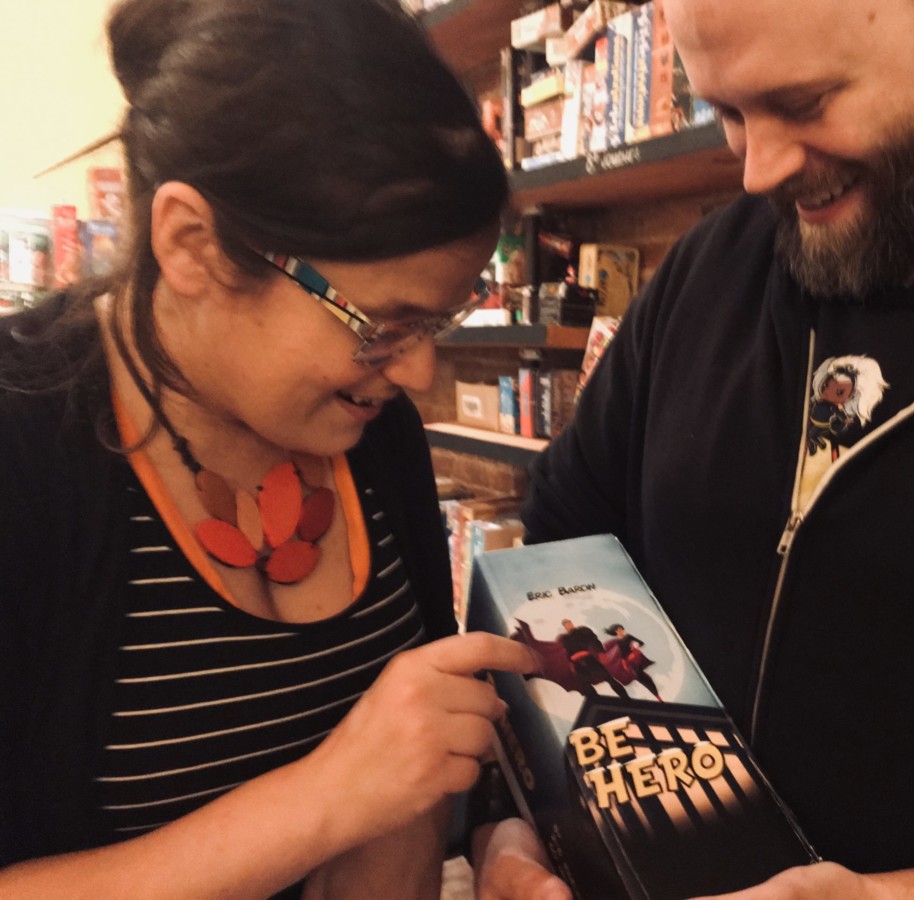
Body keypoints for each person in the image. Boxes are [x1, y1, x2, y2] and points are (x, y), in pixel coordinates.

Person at [476, 0, 914, 896]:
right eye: (727, 113)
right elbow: (552, 571)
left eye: (805, 102)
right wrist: (519, 826)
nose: (758, 170)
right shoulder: (705, 277)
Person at [0, 0, 540, 896]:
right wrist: (326, 798)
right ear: (192, 244)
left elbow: (408, 797)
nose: (417, 373)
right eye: (382, 325)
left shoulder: (374, 434)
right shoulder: (24, 450)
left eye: (438, 321)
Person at [557, 619, 629, 698]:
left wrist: (600, 652)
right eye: (565, 624)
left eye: (569, 622)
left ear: (572, 623)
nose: (568, 624)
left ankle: (625, 698)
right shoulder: (564, 638)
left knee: (608, 678)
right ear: (564, 626)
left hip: (589, 659)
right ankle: (596, 700)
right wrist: (571, 662)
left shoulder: (582, 630)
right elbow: (566, 652)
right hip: (578, 663)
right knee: (585, 684)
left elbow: (594, 640)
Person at [603, 624, 662, 700]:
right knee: (638, 676)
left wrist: (635, 648)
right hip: (626, 662)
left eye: (620, 629)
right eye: (617, 630)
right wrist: (623, 662)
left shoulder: (628, 637)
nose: (620, 631)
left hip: (634, 659)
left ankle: (658, 697)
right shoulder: (616, 642)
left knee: (641, 676)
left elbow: (641, 643)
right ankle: (657, 696)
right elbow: (617, 653)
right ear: (615, 632)